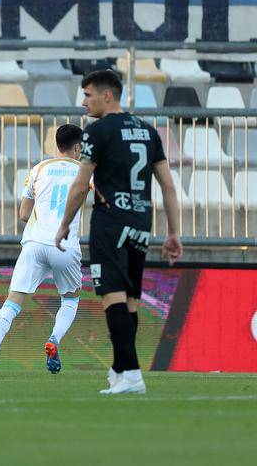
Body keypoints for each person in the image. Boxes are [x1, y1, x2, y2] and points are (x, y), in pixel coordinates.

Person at [55, 69, 183, 395]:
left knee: (111, 297)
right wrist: (173, 232)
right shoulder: (147, 131)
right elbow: (168, 185)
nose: (84, 102)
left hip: (110, 222)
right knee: (131, 301)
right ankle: (118, 370)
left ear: (106, 95)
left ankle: (133, 375)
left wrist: (65, 223)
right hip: (141, 222)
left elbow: (81, 184)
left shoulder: (97, 132)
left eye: (88, 95)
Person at [0, 123, 85, 377]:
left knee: (12, 302)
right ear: (78, 147)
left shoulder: (39, 169)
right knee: (70, 299)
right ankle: (54, 340)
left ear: (57, 145)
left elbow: (24, 214)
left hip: (35, 243)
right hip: (66, 245)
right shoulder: (85, 171)